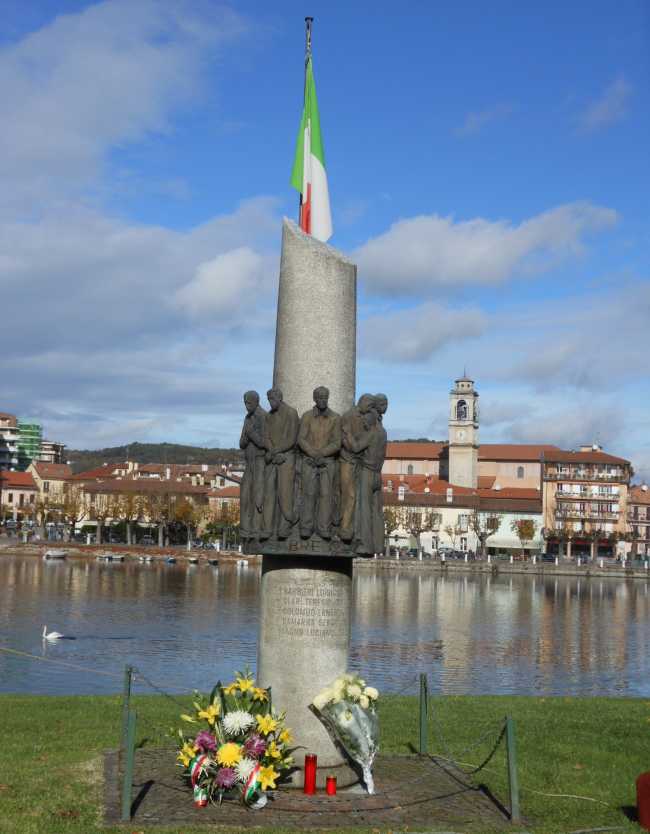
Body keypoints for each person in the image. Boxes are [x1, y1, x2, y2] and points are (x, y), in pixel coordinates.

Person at [298, 386, 341, 540]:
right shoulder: (307, 417)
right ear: (315, 399)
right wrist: (313, 453)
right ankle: (306, 527)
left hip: (327, 462)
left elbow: (337, 442)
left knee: (326, 495)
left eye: (325, 397)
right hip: (309, 461)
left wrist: (322, 453)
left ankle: (324, 528)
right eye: (320, 397)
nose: (323, 400)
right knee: (308, 494)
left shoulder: (335, 418)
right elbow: (301, 439)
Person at [261, 388, 299, 539]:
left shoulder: (291, 413)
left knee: (285, 493)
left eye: (272, 399)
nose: (270, 402)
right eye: (269, 400)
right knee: (269, 494)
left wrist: (277, 452)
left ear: (280, 398)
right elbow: (265, 437)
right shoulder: (269, 416)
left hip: (286, 457)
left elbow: (292, 438)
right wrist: (272, 451)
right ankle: (267, 528)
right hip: (273, 458)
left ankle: (286, 524)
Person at [340, 394, 376, 542]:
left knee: (354, 496)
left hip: (358, 462)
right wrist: (352, 448)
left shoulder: (365, 418)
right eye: (369, 406)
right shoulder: (349, 416)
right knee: (349, 495)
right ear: (363, 403)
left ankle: (349, 527)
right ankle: (344, 527)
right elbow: (345, 439)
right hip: (348, 460)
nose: (369, 410)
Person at [239, 391, 267, 540]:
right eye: (245, 403)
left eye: (248, 403)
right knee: (245, 496)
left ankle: (257, 530)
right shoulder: (247, 418)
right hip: (249, 462)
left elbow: (265, 443)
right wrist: (247, 435)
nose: (246, 406)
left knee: (258, 497)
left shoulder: (263, 417)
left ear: (256, 402)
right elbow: (241, 443)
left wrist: (251, 435)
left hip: (260, 461)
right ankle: (245, 529)